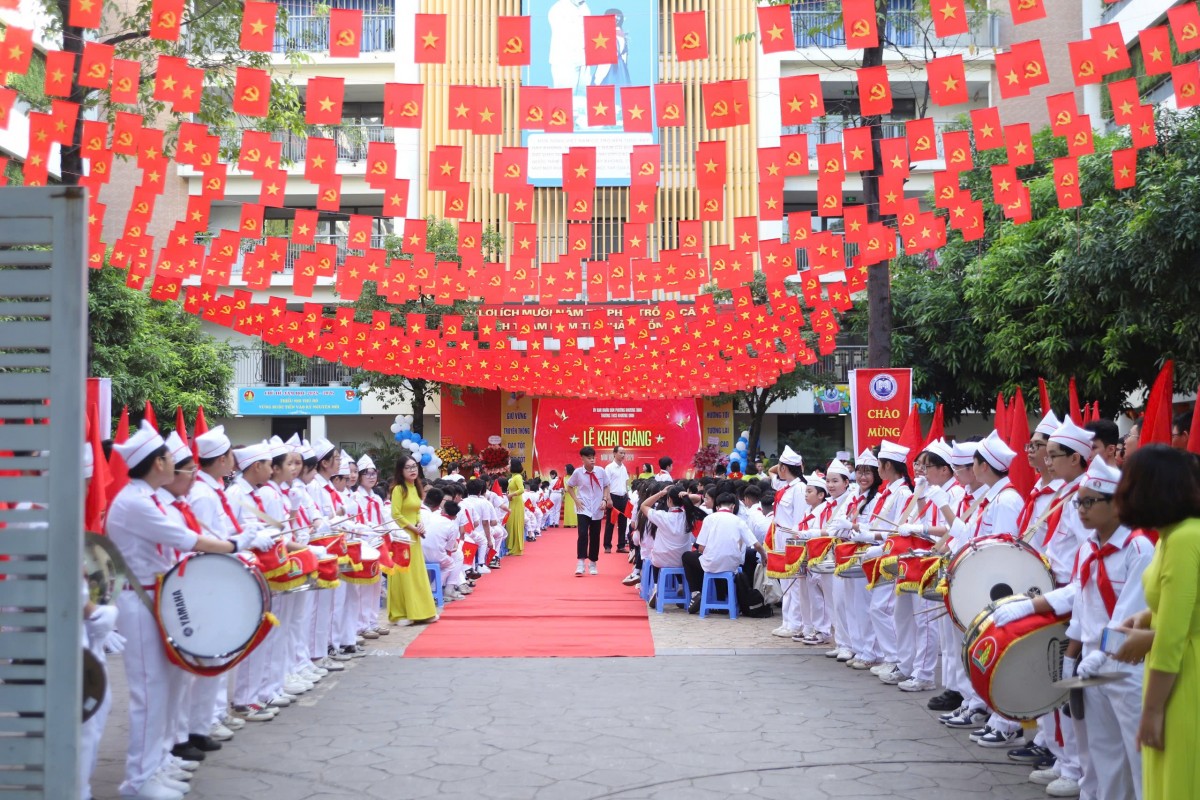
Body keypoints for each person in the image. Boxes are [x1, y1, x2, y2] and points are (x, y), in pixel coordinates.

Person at [107, 421, 273, 800]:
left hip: (161, 597)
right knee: (150, 692)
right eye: (170, 457)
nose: (181, 464)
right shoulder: (135, 502)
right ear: (157, 463)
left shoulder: (149, 497)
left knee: (168, 688)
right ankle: (138, 780)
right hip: (141, 600)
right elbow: (186, 540)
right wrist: (236, 544)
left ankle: (158, 763)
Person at [994, 456, 1154, 800]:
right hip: (1092, 661)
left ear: (1118, 503)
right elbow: (1079, 600)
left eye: (1089, 502)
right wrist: (1030, 609)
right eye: (1079, 503)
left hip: (1128, 663)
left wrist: (1102, 654)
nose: (1081, 510)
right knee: (1099, 752)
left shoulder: (1138, 548)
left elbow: (1130, 612)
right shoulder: (1088, 549)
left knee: (1138, 758)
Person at [1110, 444, 1200, 800]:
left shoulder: (1184, 538)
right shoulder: (1170, 536)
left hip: (1185, 675)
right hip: (1171, 672)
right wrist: (1147, 616)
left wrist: (1151, 711)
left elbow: (1174, 634)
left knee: (1180, 781)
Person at [681, 492, 767, 613]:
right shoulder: (739, 521)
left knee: (687, 557)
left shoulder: (709, 519)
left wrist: (712, 552)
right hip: (732, 565)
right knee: (717, 562)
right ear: (733, 506)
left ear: (717, 507)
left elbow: (700, 547)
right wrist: (764, 556)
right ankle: (723, 600)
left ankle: (696, 593)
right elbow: (756, 544)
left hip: (711, 564)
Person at [387, 455, 438, 626]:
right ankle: (402, 613)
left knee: (417, 574)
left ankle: (422, 612)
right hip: (402, 537)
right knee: (404, 575)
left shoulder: (415, 487)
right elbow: (395, 514)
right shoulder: (398, 489)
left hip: (414, 536)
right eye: (408, 467)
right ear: (401, 471)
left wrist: (420, 523)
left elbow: (416, 511)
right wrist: (412, 528)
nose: (412, 470)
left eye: (414, 466)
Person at [766, 446, 806, 639]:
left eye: (781, 466)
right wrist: (787, 464)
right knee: (785, 582)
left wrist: (796, 543)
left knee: (794, 584)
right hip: (780, 537)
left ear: (784, 468)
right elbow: (771, 471)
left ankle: (795, 624)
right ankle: (787, 622)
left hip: (792, 537)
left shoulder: (800, 488)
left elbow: (799, 518)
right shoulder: (786, 486)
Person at [566, 445, 611, 576]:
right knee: (582, 534)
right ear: (582, 459)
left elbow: (606, 485)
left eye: (593, 457)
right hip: (583, 508)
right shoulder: (577, 472)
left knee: (595, 536)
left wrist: (605, 499)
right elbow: (569, 486)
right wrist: (576, 500)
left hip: (597, 507)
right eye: (589, 458)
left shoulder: (601, 471)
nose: (592, 460)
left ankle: (593, 562)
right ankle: (580, 562)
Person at [547, 0, 592, 90]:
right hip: (565, 61)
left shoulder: (584, 7)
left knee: (584, 95)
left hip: (583, 60)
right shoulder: (558, 9)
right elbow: (566, 35)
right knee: (565, 95)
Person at [590, 7, 631, 86]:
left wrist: (596, 81)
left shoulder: (610, 37)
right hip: (622, 74)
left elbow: (606, 63)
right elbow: (625, 59)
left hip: (609, 76)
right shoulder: (622, 35)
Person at [604, 445, 630, 553]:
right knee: (610, 522)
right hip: (613, 497)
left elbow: (625, 483)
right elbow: (606, 484)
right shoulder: (609, 468)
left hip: (623, 497)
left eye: (624, 453)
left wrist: (628, 496)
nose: (623, 455)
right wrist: (608, 499)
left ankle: (621, 546)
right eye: (621, 452)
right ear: (614, 453)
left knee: (623, 523)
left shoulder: (624, 467)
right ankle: (607, 546)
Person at [505, 458, 526, 556]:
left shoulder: (517, 477)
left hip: (517, 503)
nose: (508, 466)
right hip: (512, 502)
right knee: (511, 524)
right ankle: (511, 546)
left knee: (516, 524)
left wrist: (511, 495)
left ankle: (516, 548)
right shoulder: (512, 477)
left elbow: (521, 490)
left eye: (509, 464)